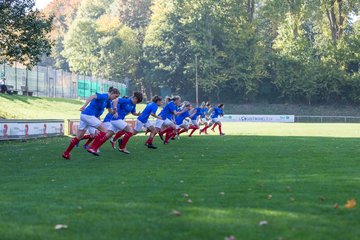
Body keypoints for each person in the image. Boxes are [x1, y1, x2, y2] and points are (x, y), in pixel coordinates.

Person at [62, 88, 120, 160]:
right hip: (88, 115)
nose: (116, 98)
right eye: (116, 96)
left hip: (86, 116)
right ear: (112, 93)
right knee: (105, 130)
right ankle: (93, 148)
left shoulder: (108, 101)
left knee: (79, 137)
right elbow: (92, 96)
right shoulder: (104, 96)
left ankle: (66, 153)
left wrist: (115, 111)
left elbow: (110, 112)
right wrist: (84, 106)